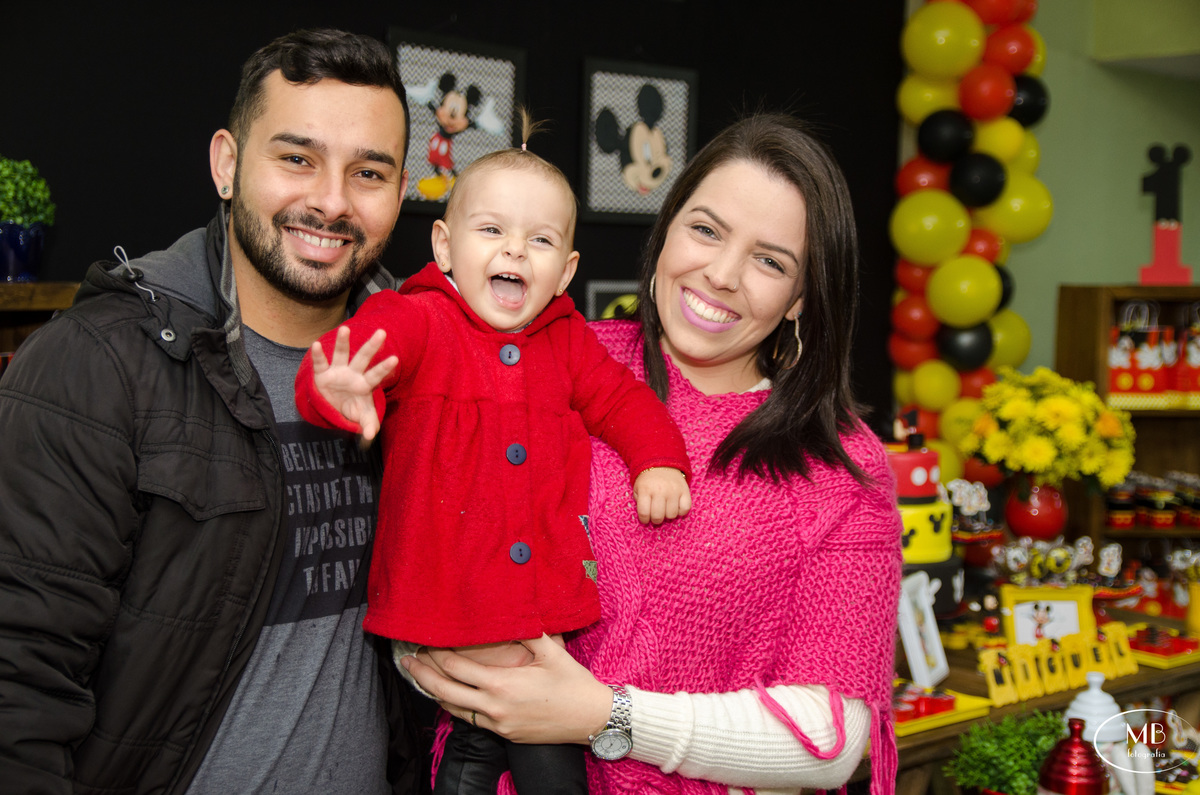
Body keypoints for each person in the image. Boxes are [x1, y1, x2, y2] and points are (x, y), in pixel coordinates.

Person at [400, 113, 904, 795]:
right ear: (666, 229)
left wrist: (605, 716)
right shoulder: (551, 358)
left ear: (801, 297)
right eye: (706, 230)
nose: (721, 274)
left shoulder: (838, 466)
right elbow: (426, 511)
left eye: (770, 261)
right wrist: (432, 658)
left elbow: (830, 741)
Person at [0, 28, 431, 794]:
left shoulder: (423, 369)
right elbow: (18, 678)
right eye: (297, 158)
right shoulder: (98, 364)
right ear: (227, 165)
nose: (331, 201)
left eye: (368, 172)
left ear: (401, 193)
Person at [293, 116, 694, 795]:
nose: (515, 249)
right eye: (491, 230)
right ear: (444, 246)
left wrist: (658, 460)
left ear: (566, 271)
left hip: (530, 607)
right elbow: (353, 354)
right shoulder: (419, 317)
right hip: (444, 596)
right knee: (532, 736)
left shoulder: (567, 341)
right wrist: (340, 387)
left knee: (495, 739)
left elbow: (624, 401)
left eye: (540, 240)